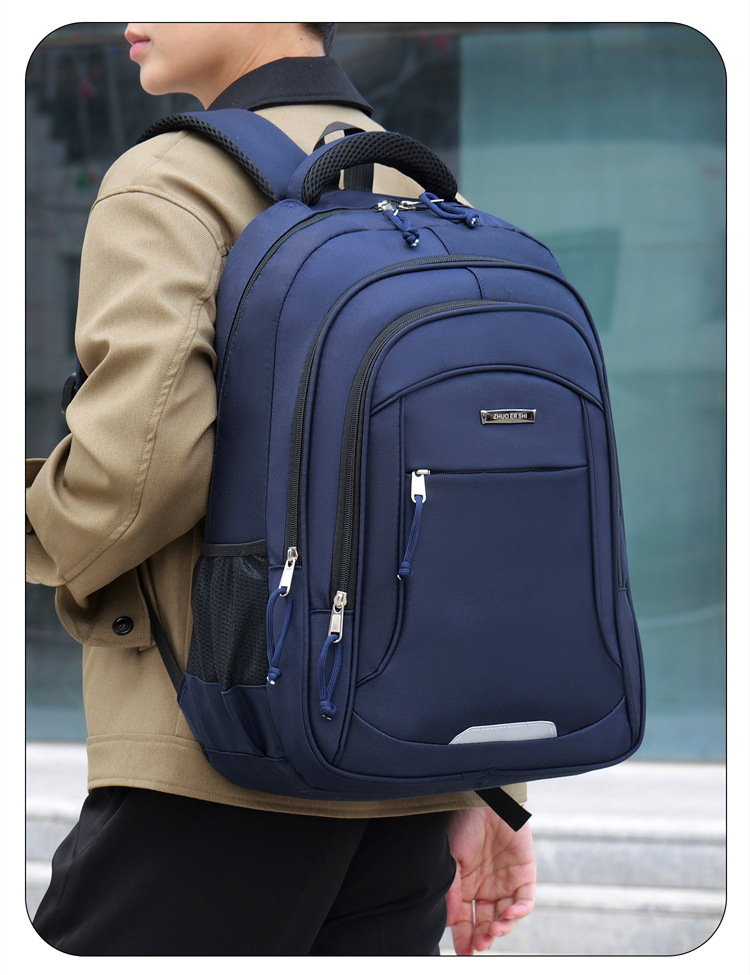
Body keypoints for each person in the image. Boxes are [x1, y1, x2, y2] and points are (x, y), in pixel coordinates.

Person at [26, 23, 536, 956]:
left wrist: (36, 525)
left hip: (217, 760)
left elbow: (140, 471)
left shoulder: (171, 181)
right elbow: (486, 504)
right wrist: (485, 785)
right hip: (404, 783)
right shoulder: (432, 193)